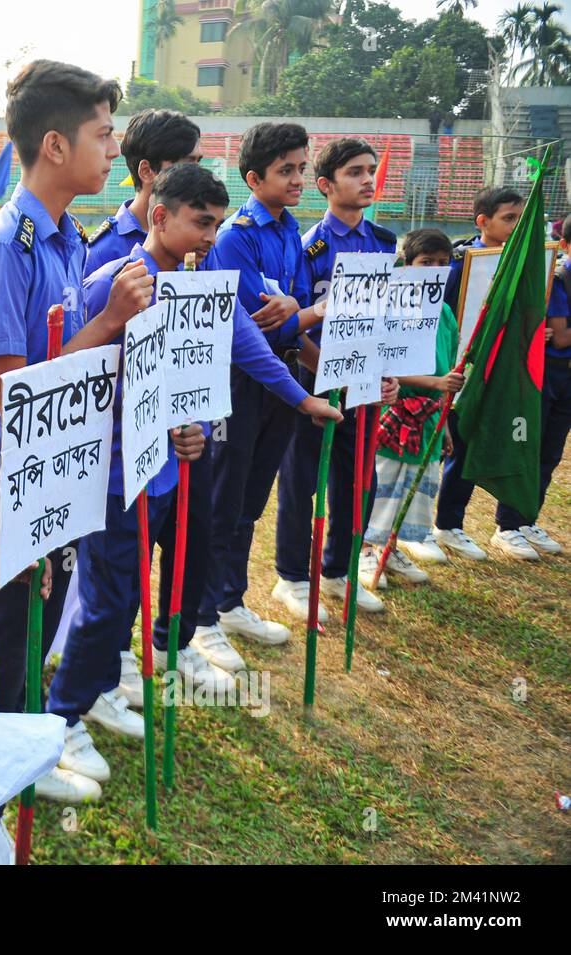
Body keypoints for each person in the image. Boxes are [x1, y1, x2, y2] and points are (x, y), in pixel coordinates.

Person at [51, 164, 341, 794]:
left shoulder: (203, 287)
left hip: (166, 470)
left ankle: (98, 688)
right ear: (161, 215)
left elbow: (247, 348)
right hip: (111, 476)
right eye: (200, 222)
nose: (211, 234)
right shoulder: (115, 284)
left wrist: (298, 400)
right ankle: (60, 719)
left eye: (216, 222)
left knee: (131, 592)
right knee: (103, 601)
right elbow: (75, 383)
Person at [0, 60, 154, 805]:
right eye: (104, 135)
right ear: (56, 146)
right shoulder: (8, 247)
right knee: (8, 636)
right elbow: (14, 397)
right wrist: (109, 324)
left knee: (38, 622)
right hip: (7, 477)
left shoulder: (67, 238)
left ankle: (27, 755)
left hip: (56, 467)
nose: (113, 151)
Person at [270, 137, 399, 625]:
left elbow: (387, 320)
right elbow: (298, 322)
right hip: (313, 377)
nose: (368, 179)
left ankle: (339, 573)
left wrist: (386, 372)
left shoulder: (384, 243)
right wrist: (326, 366)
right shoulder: (311, 248)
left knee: (358, 481)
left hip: (363, 384)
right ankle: (292, 578)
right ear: (325, 185)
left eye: (370, 171)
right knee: (301, 481)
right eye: (354, 172)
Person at [197, 122, 309, 651]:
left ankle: (230, 601)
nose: (297, 179)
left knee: (251, 501)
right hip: (240, 380)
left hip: (283, 376)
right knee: (224, 498)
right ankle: (202, 618)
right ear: (253, 176)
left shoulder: (291, 229)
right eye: (286, 170)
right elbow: (255, 322)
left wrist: (297, 310)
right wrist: (300, 311)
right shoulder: (236, 236)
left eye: (302, 169)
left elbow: (297, 308)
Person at [434, 187, 569, 560]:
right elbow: (447, 321)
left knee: (521, 441)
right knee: (463, 448)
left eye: (522, 219)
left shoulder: (534, 263)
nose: (518, 226)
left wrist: (533, 331)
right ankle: (448, 525)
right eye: (510, 218)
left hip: (514, 377)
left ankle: (514, 524)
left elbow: (531, 315)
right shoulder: (462, 264)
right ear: (483, 221)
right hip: (470, 376)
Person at [363, 228, 463, 580]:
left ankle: (390, 548)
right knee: (382, 484)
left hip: (431, 418)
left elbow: (448, 364)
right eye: (426, 262)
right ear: (406, 263)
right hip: (398, 413)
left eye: (442, 263)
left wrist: (445, 422)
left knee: (412, 489)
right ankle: (364, 549)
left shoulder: (446, 314)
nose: (434, 269)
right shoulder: (392, 307)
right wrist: (435, 382)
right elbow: (388, 365)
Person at [491, 210, 571, 556]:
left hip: (566, 378)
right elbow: (561, 337)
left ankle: (527, 519)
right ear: (564, 244)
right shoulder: (558, 278)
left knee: (550, 452)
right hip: (542, 375)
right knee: (526, 446)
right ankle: (507, 525)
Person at [84, 108, 202, 274]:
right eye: (188, 165)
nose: (199, 175)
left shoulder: (199, 242)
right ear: (147, 171)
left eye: (199, 163)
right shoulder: (102, 252)